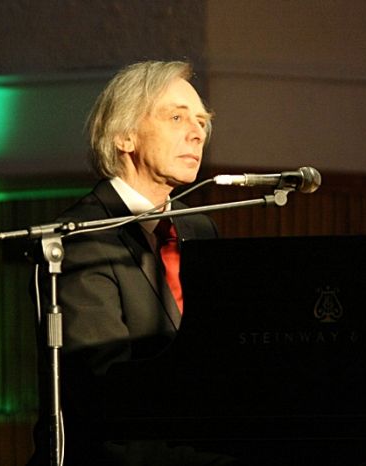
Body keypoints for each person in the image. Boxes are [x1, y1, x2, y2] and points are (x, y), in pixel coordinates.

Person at [28, 61, 222, 465]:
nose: (197, 132)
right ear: (124, 136)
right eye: (177, 117)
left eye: (202, 121)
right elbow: (105, 397)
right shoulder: (81, 239)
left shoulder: (198, 228)